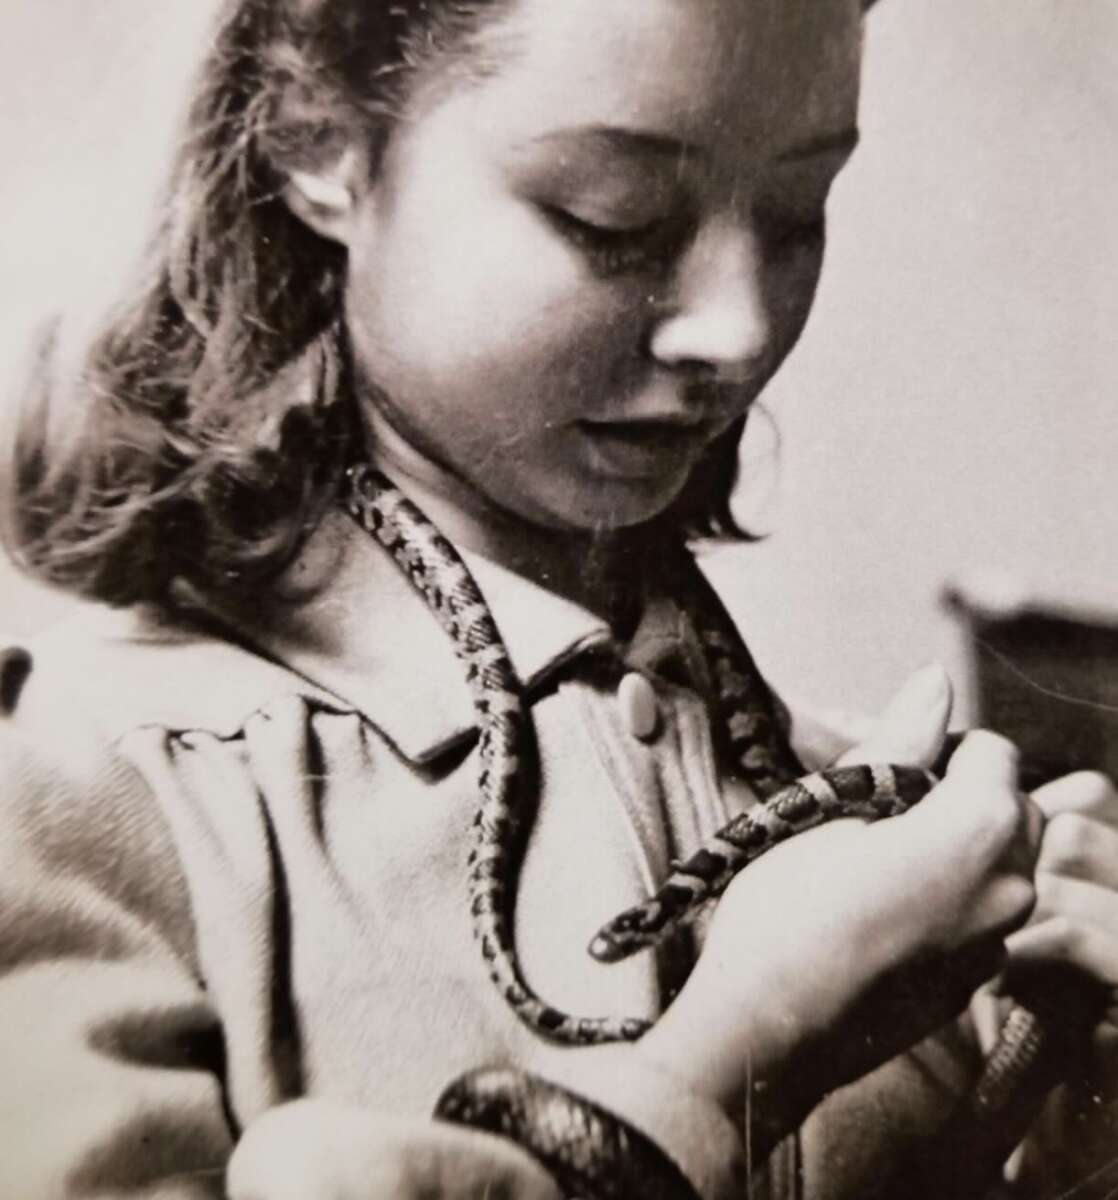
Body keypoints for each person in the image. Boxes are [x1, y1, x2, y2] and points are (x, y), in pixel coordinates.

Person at [2, 0, 1118, 1196]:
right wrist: (728, 1058)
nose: (738, 330)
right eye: (614, 219)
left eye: (797, 213)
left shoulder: (876, 834)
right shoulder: (73, 796)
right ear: (315, 138)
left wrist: (1073, 1124)